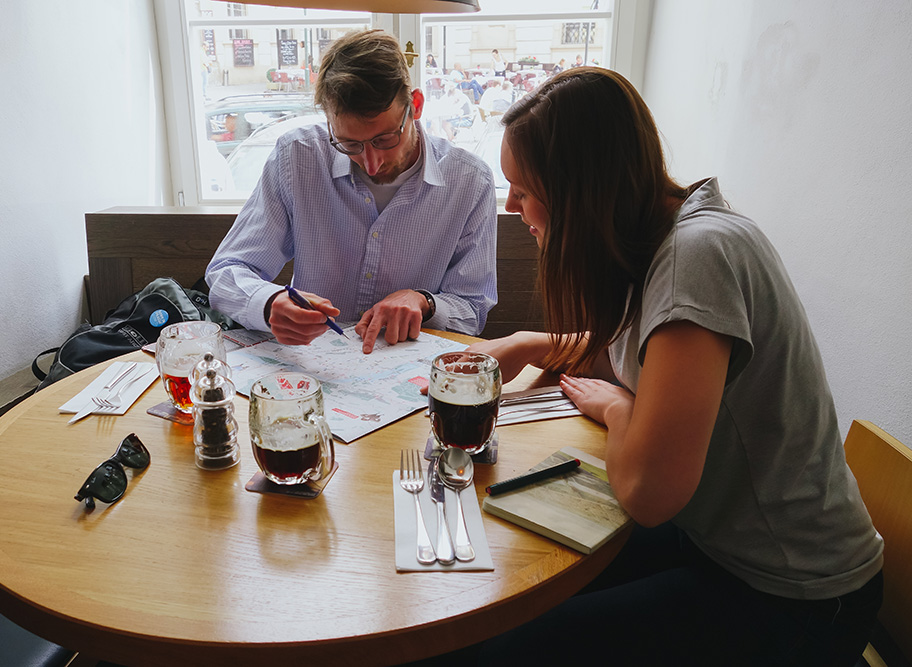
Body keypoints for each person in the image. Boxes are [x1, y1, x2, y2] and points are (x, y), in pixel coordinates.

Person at [465, 67, 884, 665]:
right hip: (720, 545)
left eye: (524, 189)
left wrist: (617, 406)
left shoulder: (698, 258)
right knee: (506, 578)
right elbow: (645, 354)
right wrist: (530, 343)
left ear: (581, 192)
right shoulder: (667, 232)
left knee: (503, 644)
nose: (513, 206)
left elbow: (647, 493)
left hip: (796, 596)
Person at [206, 30, 497, 354]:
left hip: (408, 377)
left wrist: (425, 302)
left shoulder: (470, 182)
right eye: (349, 144)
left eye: (385, 139)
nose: (371, 163)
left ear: (414, 106)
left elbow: (471, 309)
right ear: (329, 122)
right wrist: (269, 302)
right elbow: (228, 270)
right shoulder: (298, 157)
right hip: (313, 370)